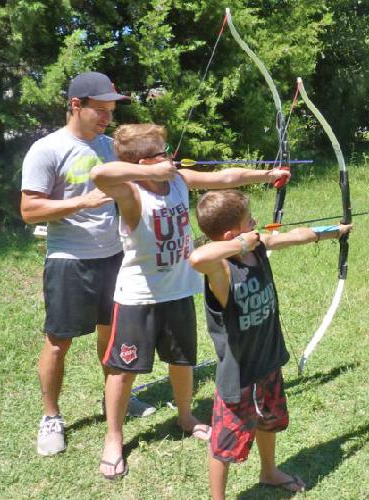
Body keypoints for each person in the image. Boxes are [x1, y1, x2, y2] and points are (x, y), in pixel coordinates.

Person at [89, 123, 292, 480]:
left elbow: (225, 177)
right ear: (142, 162)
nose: (170, 158)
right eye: (161, 153)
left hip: (180, 288)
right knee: (123, 370)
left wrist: (268, 173)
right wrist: (148, 172)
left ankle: (185, 417)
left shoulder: (180, 181)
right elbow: (100, 173)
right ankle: (113, 437)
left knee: (181, 359)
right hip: (139, 294)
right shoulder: (130, 192)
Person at [19, 71, 158, 457]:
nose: (107, 118)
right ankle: (51, 417)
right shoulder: (47, 149)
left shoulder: (110, 147)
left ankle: (113, 399)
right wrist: (81, 202)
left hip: (114, 257)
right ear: (75, 106)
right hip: (69, 260)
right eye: (100, 110)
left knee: (111, 335)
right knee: (58, 343)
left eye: (111, 111)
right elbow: (29, 209)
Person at [188, 189, 352, 496]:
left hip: (268, 359)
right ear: (230, 234)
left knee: (268, 421)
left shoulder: (259, 247)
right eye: (249, 221)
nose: (256, 223)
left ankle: (269, 471)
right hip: (239, 375)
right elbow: (197, 258)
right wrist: (239, 244)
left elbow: (298, 236)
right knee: (224, 443)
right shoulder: (221, 269)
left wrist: (334, 232)